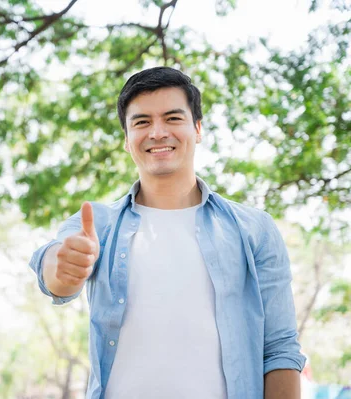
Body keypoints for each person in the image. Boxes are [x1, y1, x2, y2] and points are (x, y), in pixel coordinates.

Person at [29, 67, 306, 398]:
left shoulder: (255, 229)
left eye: (173, 118)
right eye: (142, 122)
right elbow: (52, 269)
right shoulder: (97, 223)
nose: (158, 132)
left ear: (197, 129)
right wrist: (64, 269)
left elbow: (279, 350)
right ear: (127, 139)